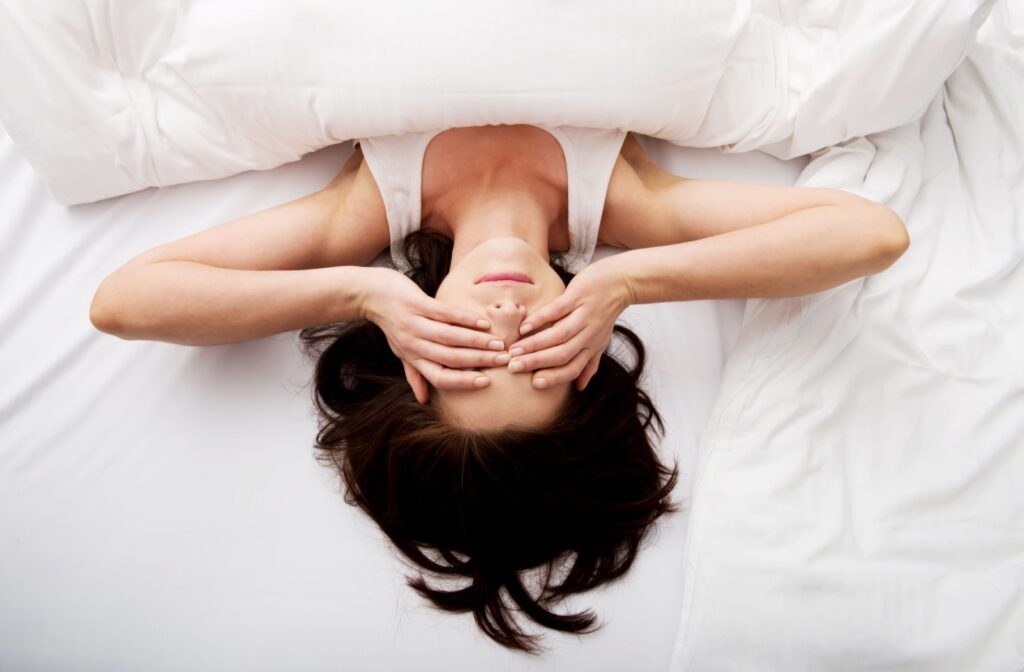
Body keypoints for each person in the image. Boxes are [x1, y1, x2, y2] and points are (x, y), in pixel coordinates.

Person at [89, 124, 910, 653]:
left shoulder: (367, 209)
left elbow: (123, 302)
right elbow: (873, 234)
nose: (505, 314)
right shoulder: (627, 204)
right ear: (585, 363)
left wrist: (358, 293)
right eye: (537, 357)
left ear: (415, 360)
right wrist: (632, 282)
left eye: (470, 356)